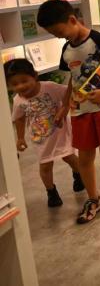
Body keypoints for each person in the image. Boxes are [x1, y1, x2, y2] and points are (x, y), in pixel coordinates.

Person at [36, 0, 100, 224]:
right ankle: (93, 199)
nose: (59, 37)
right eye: (54, 34)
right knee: (84, 158)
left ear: (72, 20)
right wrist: (64, 106)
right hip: (80, 111)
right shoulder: (66, 49)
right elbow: (73, 80)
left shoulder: (99, 40)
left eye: (59, 32)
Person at [5, 59, 84, 207]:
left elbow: (69, 94)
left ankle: (79, 175)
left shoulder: (50, 87)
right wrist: (20, 138)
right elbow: (19, 119)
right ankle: (51, 192)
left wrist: (66, 110)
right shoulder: (18, 101)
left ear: (34, 75)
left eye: (24, 81)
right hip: (40, 139)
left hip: (60, 133)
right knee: (45, 166)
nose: (20, 86)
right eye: (14, 84)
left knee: (69, 157)